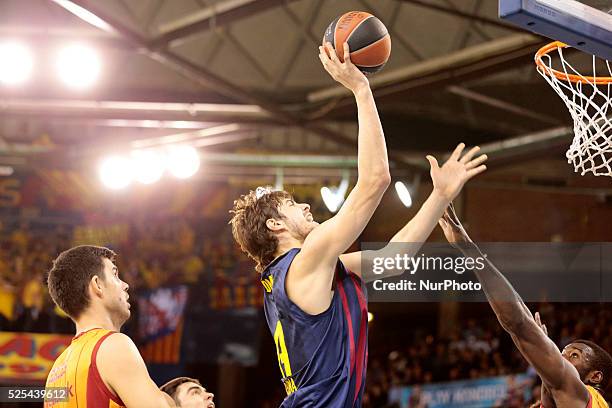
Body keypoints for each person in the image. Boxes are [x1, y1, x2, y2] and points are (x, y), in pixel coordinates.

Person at [229, 41, 487, 407]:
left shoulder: (305, 271)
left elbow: (394, 261)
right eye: (290, 204)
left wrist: (440, 195)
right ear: (274, 225)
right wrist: (361, 89)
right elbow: (375, 180)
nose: (305, 205)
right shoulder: (306, 262)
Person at [439, 204, 611, 408]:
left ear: (595, 376)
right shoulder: (560, 399)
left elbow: (517, 324)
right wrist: (537, 340)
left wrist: (468, 248)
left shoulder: (580, 394)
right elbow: (520, 327)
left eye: (574, 355)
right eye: (563, 351)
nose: (562, 357)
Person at [44, 245, 175, 407]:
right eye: (115, 274)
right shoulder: (114, 345)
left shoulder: (55, 371)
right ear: (97, 285)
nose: (125, 285)